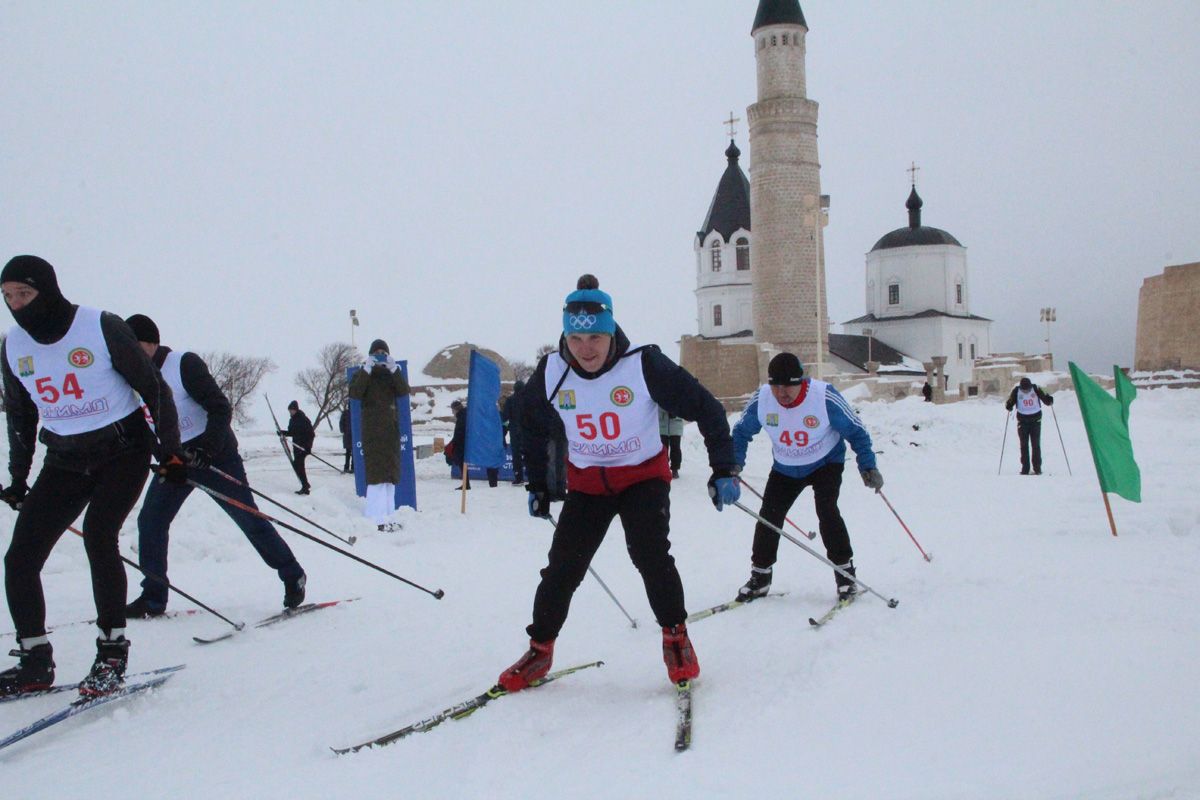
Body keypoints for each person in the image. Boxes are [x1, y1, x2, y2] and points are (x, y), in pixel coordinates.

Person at [497, 274, 739, 692]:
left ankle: (675, 637)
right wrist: (537, 484)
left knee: (649, 555)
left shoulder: (643, 364)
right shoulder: (553, 371)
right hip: (588, 485)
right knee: (562, 568)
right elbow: (530, 423)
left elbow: (707, 407)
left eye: (595, 338)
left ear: (611, 333)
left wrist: (723, 469)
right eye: (575, 339)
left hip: (642, 477)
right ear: (565, 336)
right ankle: (540, 649)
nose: (585, 350)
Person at [0, 256, 185, 698]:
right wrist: (18, 476)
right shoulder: (13, 347)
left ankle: (112, 652)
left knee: (99, 536)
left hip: (123, 451)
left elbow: (152, 386)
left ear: (47, 290)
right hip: (64, 458)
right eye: (7, 297)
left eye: (24, 294)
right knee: (20, 557)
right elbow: (21, 416)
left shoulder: (99, 326)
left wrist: (170, 450)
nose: (16, 305)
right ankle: (34, 659)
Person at [122, 314, 307, 618]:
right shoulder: (132, 378)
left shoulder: (183, 364)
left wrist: (206, 449)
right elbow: (146, 426)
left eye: (136, 345)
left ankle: (292, 574)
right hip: (176, 461)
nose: (130, 353)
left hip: (215, 454)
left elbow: (220, 407)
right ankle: (153, 597)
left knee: (249, 519)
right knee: (151, 521)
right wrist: (164, 458)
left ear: (152, 342)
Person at [731, 352, 883, 604]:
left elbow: (856, 431)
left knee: (827, 510)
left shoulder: (823, 397)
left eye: (788, 385)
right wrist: (732, 466)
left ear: (801, 381)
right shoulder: (763, 399)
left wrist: (868, 466)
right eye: (776, 385)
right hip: (786, 466)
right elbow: (740, 433)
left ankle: (845, 575)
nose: (782, 392)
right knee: (769, 516)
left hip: (825, 462)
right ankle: (760, 576)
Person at [348, 339, 411, 531]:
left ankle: (389, 515)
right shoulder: (362, 374)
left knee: (390, 477)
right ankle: (375, 518)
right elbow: (355, 393)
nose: (380, 354)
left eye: (383, 352)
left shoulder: (390, 374)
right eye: (376, 352)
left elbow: (403, 390)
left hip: (390, 433)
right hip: (373, 433)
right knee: (376, 477)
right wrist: (367, 369)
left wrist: (394, 369)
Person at [1004, 376, 1054, 475]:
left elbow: (1045, 399)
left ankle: (1037, 468)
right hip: (1022, 421)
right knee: (1024, 445)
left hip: (1036, 420)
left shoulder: (1036, 388)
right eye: (1024, 389)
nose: (1026, 391)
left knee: (1035, 444)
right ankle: (1025, 469)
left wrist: (1049, 400)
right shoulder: (1016, 391)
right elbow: (1010, 402)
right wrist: (1008, 406)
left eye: (1028, 389)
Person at [449, 399, 498, 489]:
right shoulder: (466, 414)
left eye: (452, 410)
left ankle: (467, 484)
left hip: (463, 443)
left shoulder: (462, 416)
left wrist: (454, 442)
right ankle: (467, 483)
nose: (452, 413)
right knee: (463, 463)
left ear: (455, 409)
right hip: (468, 442)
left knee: (462, 463)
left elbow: (460, 432)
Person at [279, 400, 314, 494]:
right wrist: (283, 432)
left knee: (298, 465)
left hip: (303, 447)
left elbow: (311, 434)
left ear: (295, 410)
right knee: (297, 466)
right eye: (289, 410)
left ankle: (305, 486)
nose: (290, 412)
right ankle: (305, 484)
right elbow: (292, 432)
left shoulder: (303, 419)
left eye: (291, 410)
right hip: (296, 447)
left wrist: (308, 447)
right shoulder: (292, 420)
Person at [501, 379, 526, 485]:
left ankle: (518, 477)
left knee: (516, 456)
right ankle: (532, 476)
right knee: (529, 453)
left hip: (515, 431)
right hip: (528, 431)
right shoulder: (529, 399)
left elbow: (505, 417)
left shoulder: (510, 400)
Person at [658, 407, 684, 478]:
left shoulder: (680, 396)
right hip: (662, 424)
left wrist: (675, 411)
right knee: (663, 448)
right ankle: (664, 467)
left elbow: (683, 406)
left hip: (676, 423)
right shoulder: (660, 395)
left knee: (675, 447)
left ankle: (675, 469)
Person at [339, 404, 353, 474]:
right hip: (348, 435)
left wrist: (343, 430)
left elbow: (341, 423)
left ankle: (350, 467)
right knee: (349, 452)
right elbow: (341, 423)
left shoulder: (345, 413)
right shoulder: (346, 413)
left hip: (349, 435)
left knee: (350, 453)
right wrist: (343, 430)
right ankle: (348, 467)